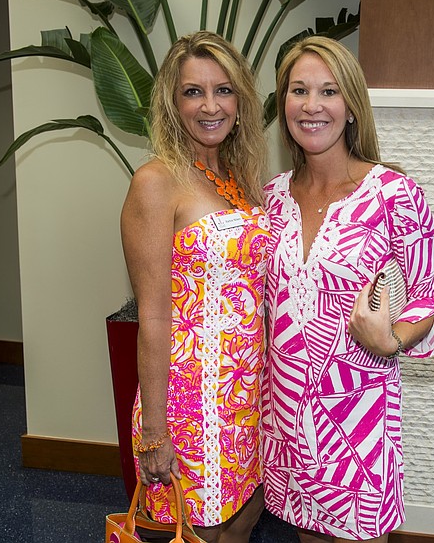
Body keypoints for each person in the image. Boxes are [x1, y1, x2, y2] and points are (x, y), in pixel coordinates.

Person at [262, 36, 434, 543]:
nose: (312, 105)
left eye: (328, 91)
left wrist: (392, 340)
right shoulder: (271, 198)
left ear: (351, 107)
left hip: (357, 423)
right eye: (299, 90)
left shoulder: (395, 195)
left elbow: (426, 297)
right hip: (287, 415)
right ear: (284, 104)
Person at [120, 31, 269, 543]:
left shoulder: (237, 175)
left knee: (240, 525)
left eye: (223, 90)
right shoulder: (156, 182)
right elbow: (155, 316)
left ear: (240, 99)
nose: (211, 106)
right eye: (193, 92)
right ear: (172, 101)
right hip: (188, 403)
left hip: (245, 398)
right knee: (190, 533)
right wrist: (156, 431)